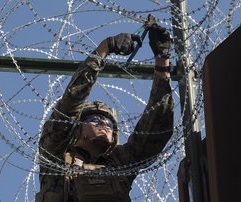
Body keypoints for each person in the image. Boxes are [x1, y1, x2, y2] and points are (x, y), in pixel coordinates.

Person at [35, 22, 174, 202]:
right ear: (77, 129)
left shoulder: (120, 162)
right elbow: (71, 103)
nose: (104, 124)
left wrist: (162, 60)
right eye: (94, 119)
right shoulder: (56, 156)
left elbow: (156, 127)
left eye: (109, 123)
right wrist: (105, 48)